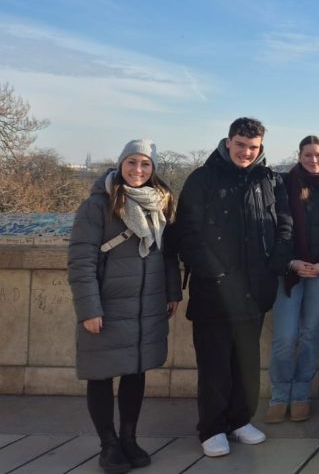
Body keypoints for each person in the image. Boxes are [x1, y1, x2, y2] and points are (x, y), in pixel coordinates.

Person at [175, 117, 293, 458]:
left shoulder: (270, 180)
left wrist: (276, 262)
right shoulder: (202, 179)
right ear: (228, 142)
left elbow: (284, 225)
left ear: (261, 149)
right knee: (214, 363)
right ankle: (211, 427)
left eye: (253, 147)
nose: (246, 152)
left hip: (255, 288)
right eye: (240, 145)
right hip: (215, 289)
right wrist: (216, 273)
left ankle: (240, 420)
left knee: (246, 361)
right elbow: (188, 233)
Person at [68, 140, 181, 474]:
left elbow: (168, 254)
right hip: (107, 303)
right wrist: (89, 309)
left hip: (147, 303)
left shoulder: (161, 202)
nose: (138, 171)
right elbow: (81, 261)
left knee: (136, 371)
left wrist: (172, 291)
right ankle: (108, 444)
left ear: (153, 170)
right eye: (132, 163)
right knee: (101, 374)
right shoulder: (97, 206)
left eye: (146, 165)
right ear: (120, 165)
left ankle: (129, 437)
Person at [266, 136, 319, 424]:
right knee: (285, 338)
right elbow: (275, 228)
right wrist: (291, 262)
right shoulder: (284, 184)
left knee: (310, 335)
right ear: (299, 156)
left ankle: (301, 394)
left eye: (318, 155)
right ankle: (279, 394)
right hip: (291, 269)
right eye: (308, 155)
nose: (314, 160)